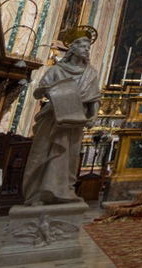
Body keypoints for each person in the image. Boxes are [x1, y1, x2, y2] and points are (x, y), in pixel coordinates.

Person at [21, 27, 102, 205]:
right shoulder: (57, 70)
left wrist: (94, 116)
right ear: (72, 48)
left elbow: (94, 97)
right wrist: (55, 93)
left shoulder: (91, 73)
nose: (86, 49)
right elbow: (39, 92)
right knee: (45, 151)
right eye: (83, 45)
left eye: (88, 46)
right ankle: (37, 194)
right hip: (53, 117)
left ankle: (64, 191)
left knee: (69, 156)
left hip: (76, 119)